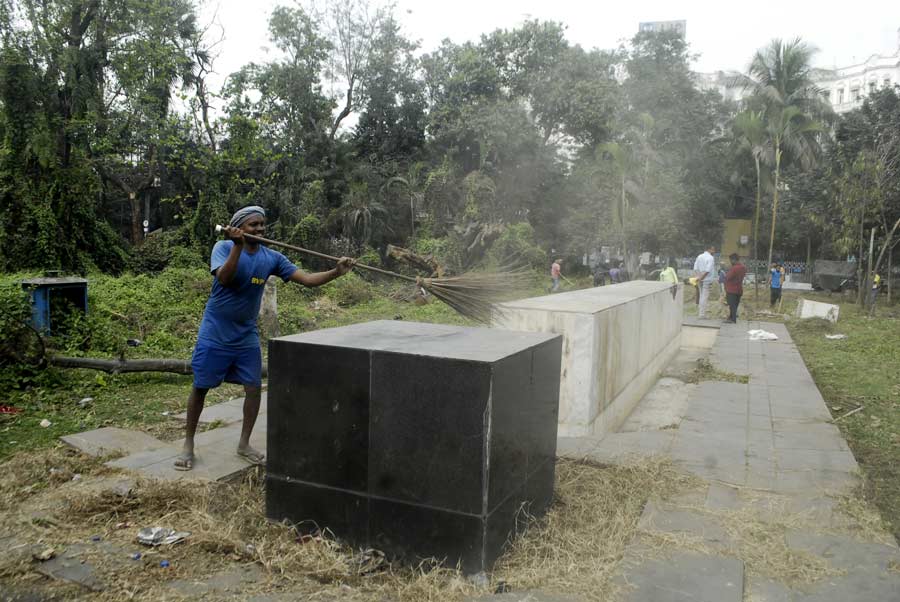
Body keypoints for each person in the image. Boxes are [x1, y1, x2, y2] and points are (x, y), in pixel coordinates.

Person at [174, 206, 354, 471]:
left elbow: (306, 279)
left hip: (246, 334)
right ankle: (188, 444)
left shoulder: (272, 257)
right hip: (215, 332)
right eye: (252, 225)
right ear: (239, 228)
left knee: (253, 388)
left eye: (261, 224)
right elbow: (224, 279)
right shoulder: (223, 248)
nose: (259, 229)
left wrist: (336, 272)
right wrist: (236, 246)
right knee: (201, 387)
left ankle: (244, 443)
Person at [693, 245, 716, 319]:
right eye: (713, 250)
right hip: (707, 280)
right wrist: (701, 278)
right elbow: (708, 270)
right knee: (704, 297)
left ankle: (700, 313)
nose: (714, 252)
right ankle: (702, 315)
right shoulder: (711, 258)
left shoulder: (699, 256)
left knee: (701, 295)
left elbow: (695, 268)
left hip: (700, 279)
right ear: (709, 249)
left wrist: (698, 277)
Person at [723, 253, 747, 323]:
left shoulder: (734, 268)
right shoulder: (743, 267)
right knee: (735, 305)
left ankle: (733, 319)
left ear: (733, 260)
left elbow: (728, 277)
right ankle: (730, 317)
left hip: (731, 289)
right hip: (739, 289)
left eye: (730, 260)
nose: (730, 262)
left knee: (731, 305)